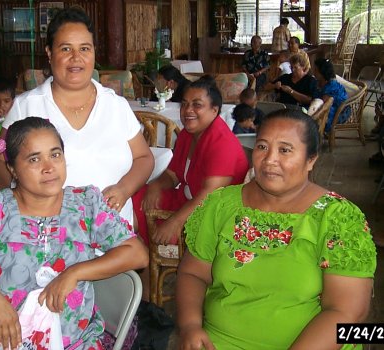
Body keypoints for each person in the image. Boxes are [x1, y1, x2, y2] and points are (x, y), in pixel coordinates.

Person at [0, 117, 149, 350]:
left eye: (55, 155)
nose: (49, 167)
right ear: (12, 169)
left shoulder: (85, 206)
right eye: (34, 159)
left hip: (76, 342)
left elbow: (137, 253)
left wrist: (75, 273)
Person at [176, 109, 376, 350]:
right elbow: (193, 273)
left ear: (311, 159)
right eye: (262, 147)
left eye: (285, 150)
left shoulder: (337, 218)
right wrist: (190, 326)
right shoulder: (221, 205)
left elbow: (348, 312)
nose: (270, 159)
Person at [0, 7, 154, 224]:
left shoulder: (116, 105)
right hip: (48, 236)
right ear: (49, 52)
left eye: (85, 48)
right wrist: (6, 198)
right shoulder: (27, 106)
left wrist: (123, 189)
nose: (76, 58)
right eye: (66, 49)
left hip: (115, 237)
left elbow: (144, 158)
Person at [133, 76, 249, 248]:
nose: (188, 110)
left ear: (214, 111)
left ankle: (142, 254)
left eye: (197, 105)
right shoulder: (188, 135)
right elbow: (172, 175)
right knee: (136, 197)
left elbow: (210, 195)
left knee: (144, 215)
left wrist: (175, 222)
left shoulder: (222, 143)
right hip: (187, 201)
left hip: (213, 215)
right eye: (185, 104)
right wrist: (155, 186)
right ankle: (139, 253)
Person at [314, 58, 350, 133]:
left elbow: (324, 104)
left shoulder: (331, 86)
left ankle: (317, 135)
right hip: (328, 108)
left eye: (316, 70)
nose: (314, 72)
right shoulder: (319, 82)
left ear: (322, 72)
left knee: (316, 113)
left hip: (339, 112)